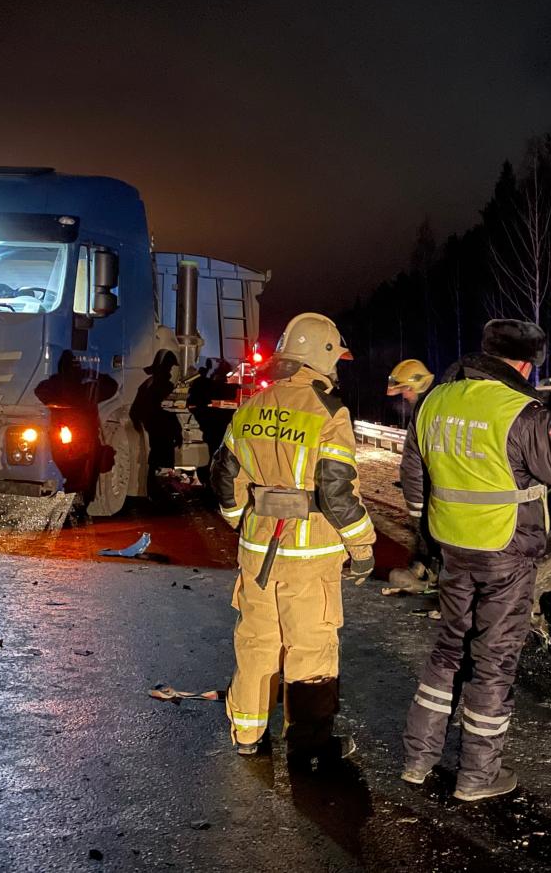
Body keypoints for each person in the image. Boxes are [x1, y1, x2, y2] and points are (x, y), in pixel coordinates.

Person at [399, 319, 551, 801]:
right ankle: (477, 775)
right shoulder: (523, 413)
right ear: (522, 364)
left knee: (449, 650)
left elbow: (413, 475)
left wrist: (425, 537)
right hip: (506, 551)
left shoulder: (436, 400)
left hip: (452, 546)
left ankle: (418, 758)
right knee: (493, 660)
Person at [212, 312, 377, 769]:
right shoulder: (328, 410)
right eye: (336, 358)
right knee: (310, 645)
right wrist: (362, 548)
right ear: (322, 356)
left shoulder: (251, 407)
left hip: (257, 550)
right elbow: (338, 490)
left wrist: (241, 521)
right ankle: (309, 744)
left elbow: (224, 478)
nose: (338, 368)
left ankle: (247, 732)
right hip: (311, 556)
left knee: (257, 641)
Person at [385, 359, 440, 592]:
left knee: (430, 534)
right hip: (430, 491)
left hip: (429, 493)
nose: (404, 395)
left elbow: (416, 462)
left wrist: (416, 501)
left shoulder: (427, 411)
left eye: (406, 389)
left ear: (419, 385)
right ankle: (427, 571)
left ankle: (432, 576)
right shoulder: (431, 408)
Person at [35, 350, 118, 502]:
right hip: (71, 435)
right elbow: (41, 391)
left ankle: (82, 499)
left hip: (83, 437)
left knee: (88, 466)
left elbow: (111, 386)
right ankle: (79, 499)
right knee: (75, 467)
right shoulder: (61, 386)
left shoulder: (83, 387)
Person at [129, 349, 182, 498]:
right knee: (163, 461)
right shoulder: (165, 386)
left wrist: (142, 424)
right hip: (163, 430)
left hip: (154, 428)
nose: (171, 370)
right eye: (169, 366)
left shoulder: (147, 384)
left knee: (155, 460)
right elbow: (172, 412)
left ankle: (154, 490)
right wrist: (178, 433)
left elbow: (136, 410)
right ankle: (160, 492)